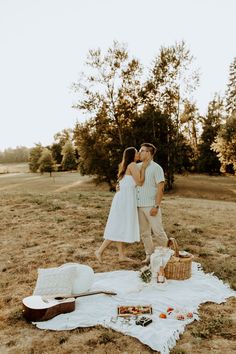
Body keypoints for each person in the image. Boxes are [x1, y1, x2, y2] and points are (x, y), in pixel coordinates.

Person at [95, 147, 149, 263]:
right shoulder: (132, 165)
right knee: (118, 226)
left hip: (123, 199)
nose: (139, 154)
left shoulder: (126, 165)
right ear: (132, 156)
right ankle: (99, 251)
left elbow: (123, 182)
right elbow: (139, 182)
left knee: (120, 226)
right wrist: (144, 168)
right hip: (124, 201)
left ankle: (121, 255)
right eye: (136, 153)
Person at [137, 143, 168, 264]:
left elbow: (161, 188)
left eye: (142, 151)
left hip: (151, 206)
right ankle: (149, 255)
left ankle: (169, 255)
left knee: (158, 232)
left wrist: (156, 206)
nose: (140, 153)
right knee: (144, 233)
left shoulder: (157, 168)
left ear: (149, 153)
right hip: (139, 206)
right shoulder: (138, 167)